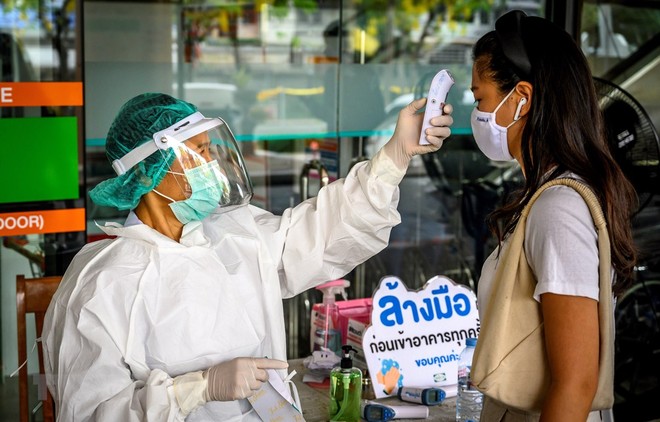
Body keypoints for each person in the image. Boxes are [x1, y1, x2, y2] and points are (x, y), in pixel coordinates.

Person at [42, 91, 453, 421]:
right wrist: (197, 388)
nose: (212, 167)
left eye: (209, 150)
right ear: (148, 173)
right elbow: (91, 412)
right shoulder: (103, 285)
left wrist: (393, 158)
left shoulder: (232, 232)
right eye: (197, 154)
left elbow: (320, 234)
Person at [469, 10, 637, 421]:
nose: (476, 114)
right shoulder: (542, 197)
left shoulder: (559, 209)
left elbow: (575, 383)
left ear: (521, 98)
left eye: (480, 99)